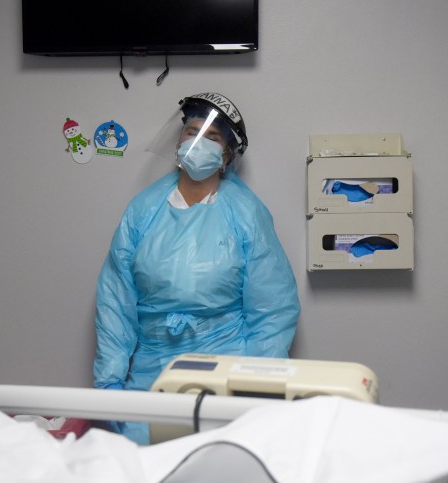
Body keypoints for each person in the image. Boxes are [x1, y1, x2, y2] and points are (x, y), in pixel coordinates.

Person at [93, 92, 300, 444]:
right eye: (191, 132)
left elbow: (273, 309)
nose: (198, 142)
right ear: (178, 144)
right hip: (151, 371)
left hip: (227, 369)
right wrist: (110, 381)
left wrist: (259, 385)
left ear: (227, 156)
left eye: (213, 137)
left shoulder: (246, 214)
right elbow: (115, 300)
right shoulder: (144, 210)